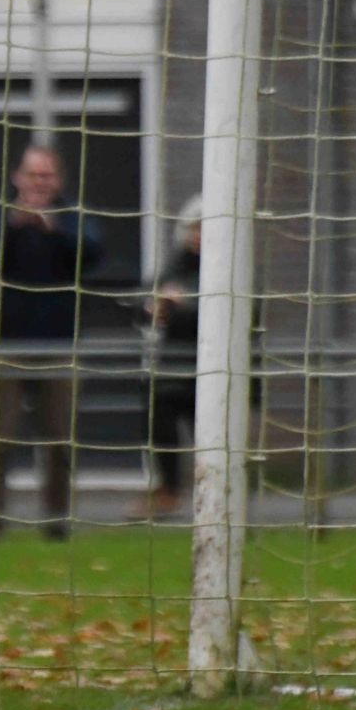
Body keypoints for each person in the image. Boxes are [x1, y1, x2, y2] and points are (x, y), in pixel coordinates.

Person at [0, 144, 106, 540]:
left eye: (47, 176)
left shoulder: (74, 217)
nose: (39, 183)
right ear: (17, 177)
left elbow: (93, 254)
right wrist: (16, 224)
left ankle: (56, 520)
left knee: (60, 440)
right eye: (33, 175)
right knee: (0, 439)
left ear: (58, 180)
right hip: (2, 345)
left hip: (59, 346)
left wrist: (54, 230)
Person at [139, 197, 203, 522]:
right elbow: (146, 302)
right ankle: (167, 491)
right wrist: (154, 307)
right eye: (194, 228)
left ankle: (220, 495)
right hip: (173, 364)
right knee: (160, 421)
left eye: (205, 228)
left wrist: (181, 307)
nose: (198, 235)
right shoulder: (175, 267)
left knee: (211, 434)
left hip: (210, 369)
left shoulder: (232, 268)